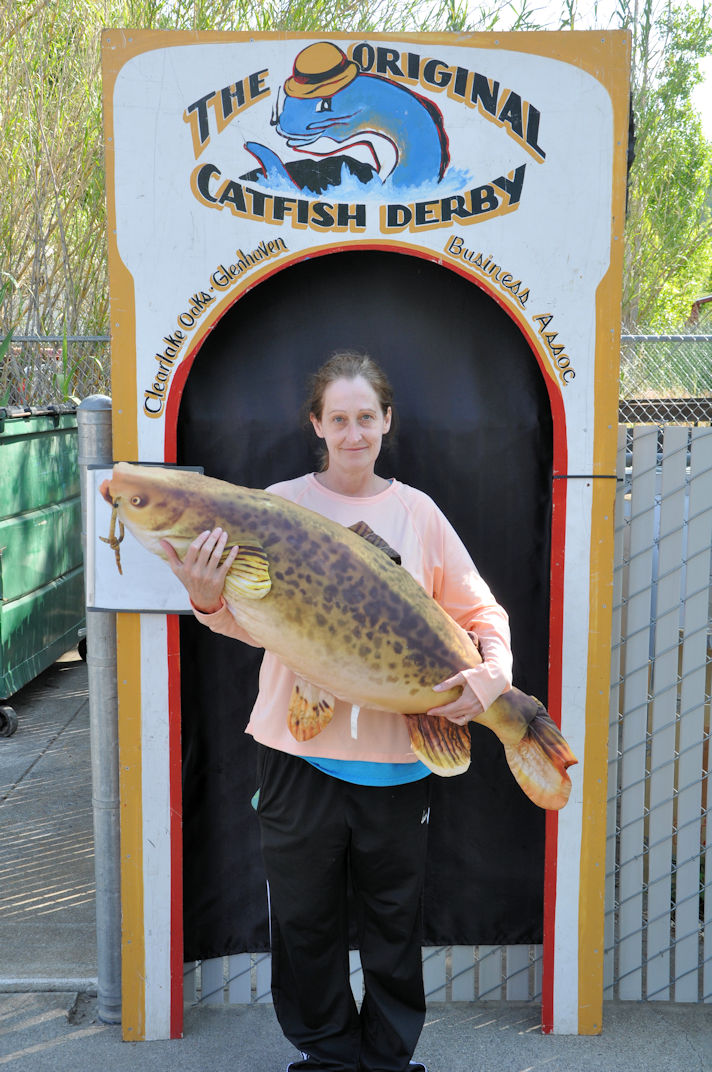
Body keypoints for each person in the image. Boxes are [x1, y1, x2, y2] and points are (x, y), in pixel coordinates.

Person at [162, 351, 513, 1072]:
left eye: (366, 418)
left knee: (393, 922)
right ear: (316, 425)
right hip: (296, 757)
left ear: (386, 421)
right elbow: (251, 625)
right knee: (303, 922)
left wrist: (494, 675)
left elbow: (480, 610)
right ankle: (324, 1058)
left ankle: (388, 1062)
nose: (354, 433)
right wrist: (206, 600)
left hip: (396, 763)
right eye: (339, 419)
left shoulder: (418, 513)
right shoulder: (276, 506)